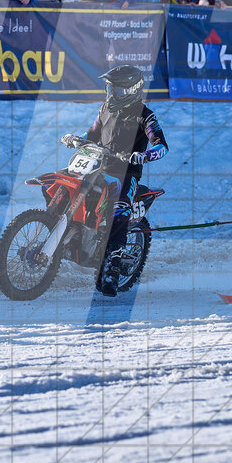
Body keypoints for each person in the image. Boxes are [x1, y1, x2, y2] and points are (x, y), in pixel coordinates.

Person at [61, 65, 169, 296]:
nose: (112, 95)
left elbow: (162, 146)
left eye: (117, 91)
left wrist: (145, 155)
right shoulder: (105, 109)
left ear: (132, 90)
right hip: (98, 166)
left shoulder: (145, 115)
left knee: (118, 214)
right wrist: (76, 139)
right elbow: (91, 135)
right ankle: (63, 230)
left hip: (126, 173)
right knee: (65, 183)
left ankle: (112, 270)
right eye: (110, 89)